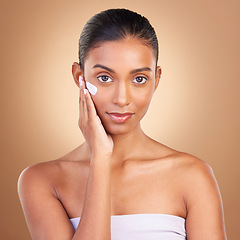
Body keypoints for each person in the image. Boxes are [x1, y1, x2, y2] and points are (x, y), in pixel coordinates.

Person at [18, 8, 227, 240]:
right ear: (80, 77)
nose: (121, 98)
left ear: (156, 79)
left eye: (139, 79)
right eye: (105, 78)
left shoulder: (193, 176)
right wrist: (100, 158)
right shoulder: (42, 181)